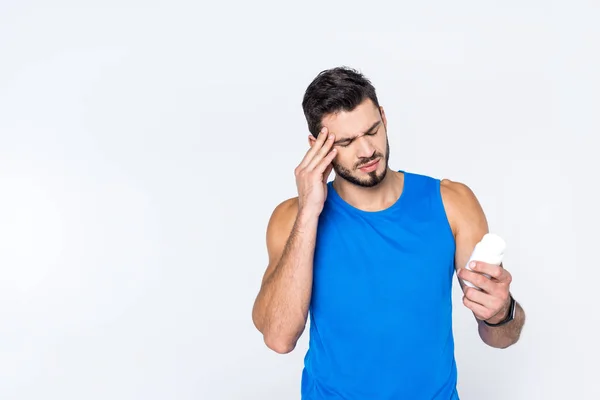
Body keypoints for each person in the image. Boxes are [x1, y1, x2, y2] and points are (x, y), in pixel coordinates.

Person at [251, 66, 526, 399]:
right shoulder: (292, 218)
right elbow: (279, 338)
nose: (367, 151)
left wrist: (502, 311)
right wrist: (310, 210)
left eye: (372, 130)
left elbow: (501, 337)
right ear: (316, 146)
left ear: (383, 117)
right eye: (347, 142)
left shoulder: (452, 203)